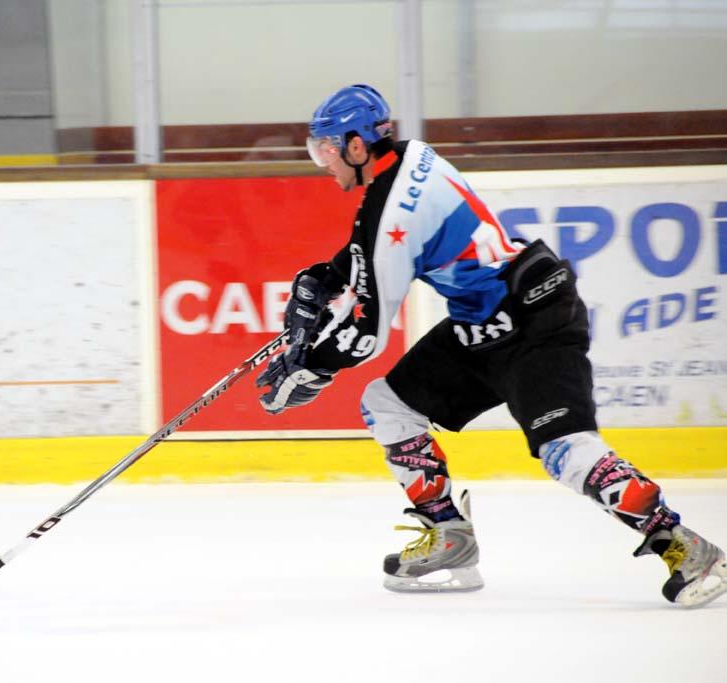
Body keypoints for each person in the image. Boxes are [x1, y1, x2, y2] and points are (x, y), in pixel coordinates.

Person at [255, 84, 726, 607]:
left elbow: (367, 333)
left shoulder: (387, 215)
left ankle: (684, 546)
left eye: (325, 149)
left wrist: (310, 367)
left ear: (357, 145)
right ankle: (449, 535)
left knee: (566, 451)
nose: (322, 161)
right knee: (388, 403)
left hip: (535, 322)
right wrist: (325, 277)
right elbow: (378, 246)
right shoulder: (412, 157)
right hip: (482, 326)